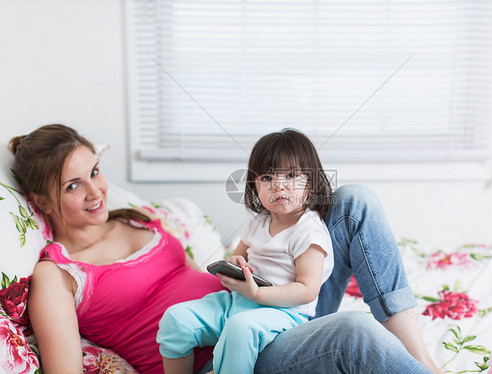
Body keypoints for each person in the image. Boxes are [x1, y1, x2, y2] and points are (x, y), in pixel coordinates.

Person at [12, 124, 443, 374]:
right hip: (230, 356)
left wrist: (244, 268)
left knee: (354, 201)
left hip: (275, 303)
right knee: (354, 331)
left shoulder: (133, 218)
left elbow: (201, 274)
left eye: (95, 172)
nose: (95, 191)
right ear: (42, 202)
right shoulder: (59, 274)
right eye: (73, 185)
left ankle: (419, 358)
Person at [157, 129, 334, 374]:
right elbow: (237, 256)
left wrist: (258, 295)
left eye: (291, 175)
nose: (279, 186)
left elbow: (307, 290)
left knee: (239, 329)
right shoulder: (258, 222)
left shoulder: (309, 231)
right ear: (254, 185)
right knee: (175, 319)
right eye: (267, 178)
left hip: (283, 314)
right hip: (237, 302)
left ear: (311, 182)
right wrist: (235, 263)